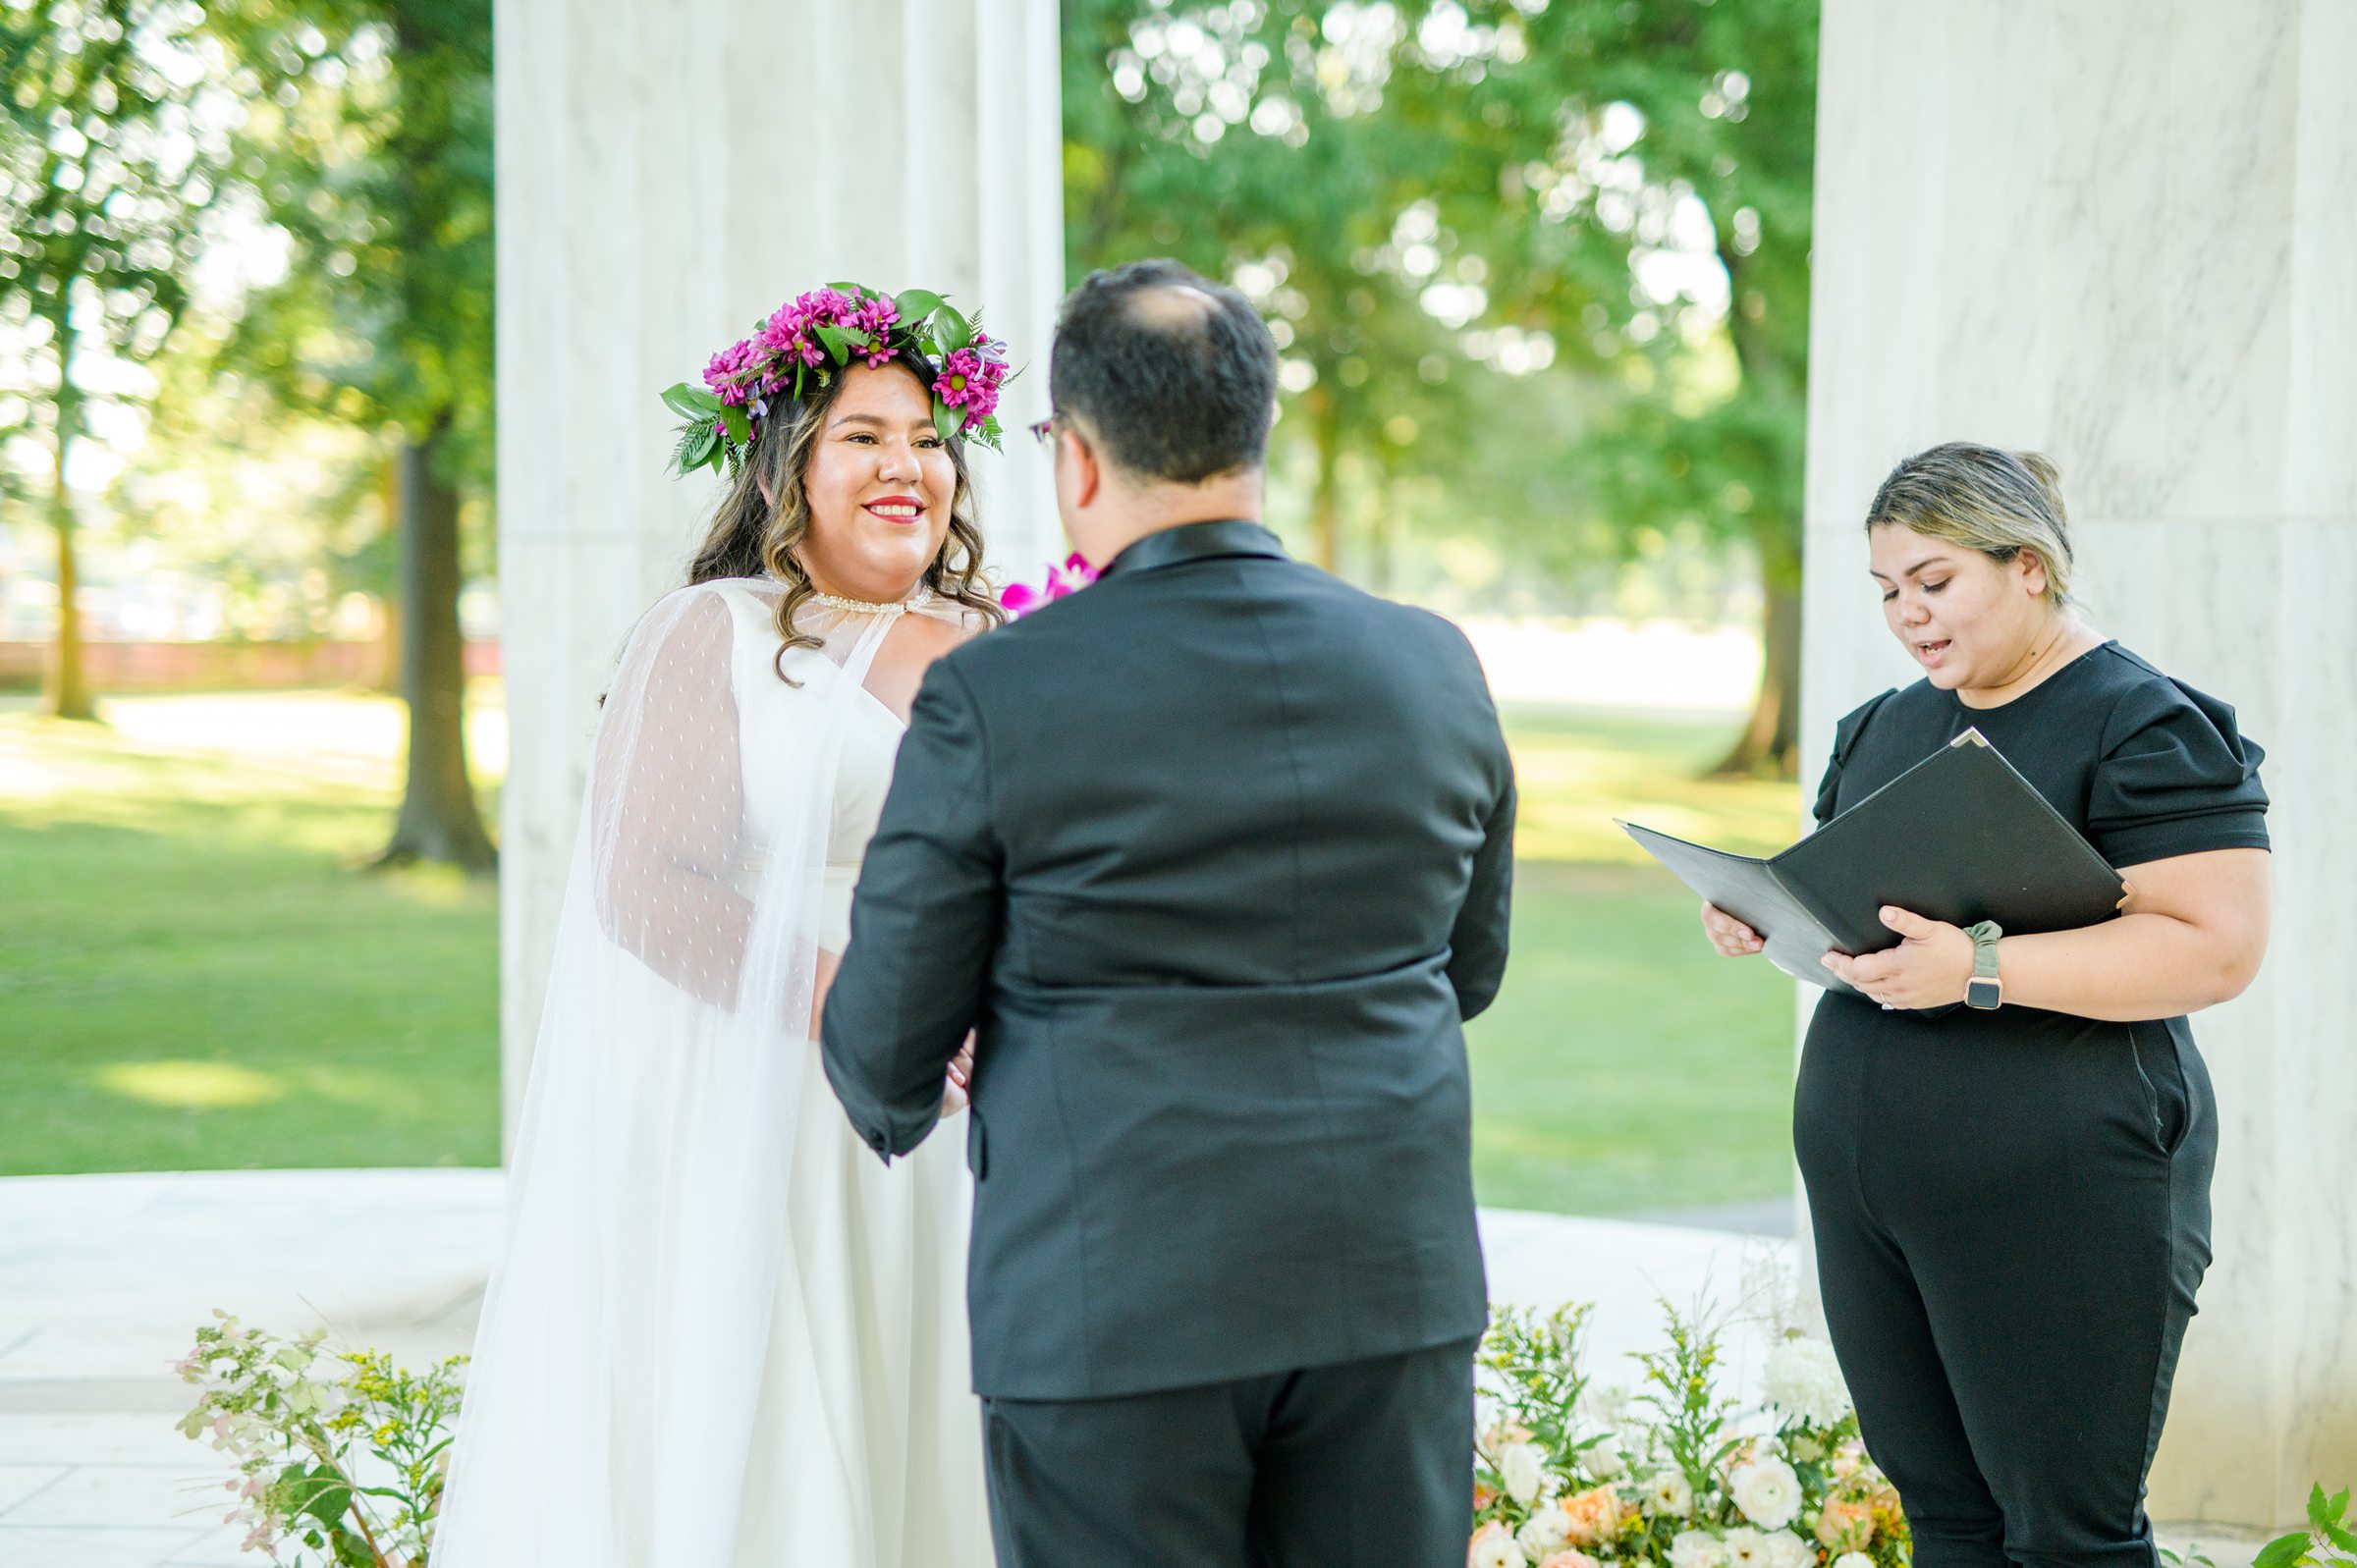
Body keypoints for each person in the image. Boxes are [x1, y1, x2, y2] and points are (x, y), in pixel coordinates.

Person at [819, 258, 1517, 1568]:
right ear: (1254, 441)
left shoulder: (994, 696)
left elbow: (885, 1043)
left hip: (1111, 1305)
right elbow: (1467, 969)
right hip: (1389, 1288)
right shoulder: (1434, 663)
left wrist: (900, 1084)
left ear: (1075, 460)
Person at [432, 286, 1009, 1568]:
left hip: (960, 1116)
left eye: (925, 437)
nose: (906, 464)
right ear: (785, 461)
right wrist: (866, 1005)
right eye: (864, 435)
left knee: (936, 1418)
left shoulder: (994, 644)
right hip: (771, 1097)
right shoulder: (715, 637)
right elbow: (646, 884)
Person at [1700, 443, 2271, 1568]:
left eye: (1934, 581)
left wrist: (1980, 969)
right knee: (1946, 1519)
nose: (1907, 615)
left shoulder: (2145, 724)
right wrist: (1772, 918)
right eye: (1886, 591)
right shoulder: (1880, 727)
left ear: (2028, 568)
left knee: (2067, 1534)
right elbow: (1862, 920)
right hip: (1878, 1186)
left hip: (2063, 1185)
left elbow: (2215, 948)